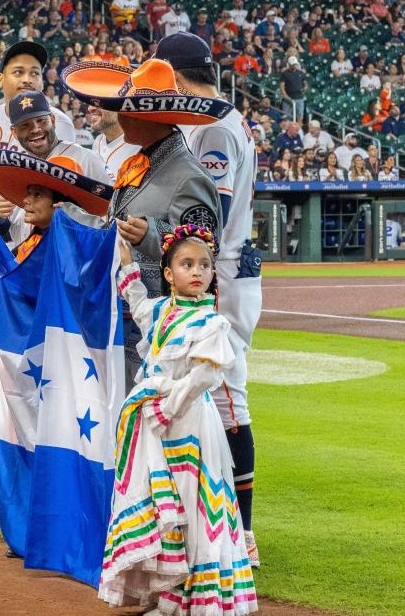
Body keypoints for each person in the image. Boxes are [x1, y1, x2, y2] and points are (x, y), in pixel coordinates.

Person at [101, 224, 258, 615]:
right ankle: (166, 595)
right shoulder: (163, 311)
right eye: (187, 264)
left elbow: (206, 375)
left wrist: (166, 406)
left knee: (192, 503)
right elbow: (138, 305)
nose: (198, 271)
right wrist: (125, 264)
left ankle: (191, 601)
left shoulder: (211, 323)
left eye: (204, 265)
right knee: (162, 501)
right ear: (169, 274)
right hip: (159, 423)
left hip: (187, 422)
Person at [0, 41, 85, 488]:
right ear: (1, 77)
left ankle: (41, 446)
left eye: (34, 72)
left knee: (40, 356)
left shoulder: (56, 122)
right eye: (18, 70)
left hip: (42, 255)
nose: (26, 78)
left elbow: (60, 184)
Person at [156, 32, 262, 561]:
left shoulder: (214, 126)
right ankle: (215, 524)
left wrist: (193, 281)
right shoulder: (221, 118)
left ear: (174, 78)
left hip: (220, 273)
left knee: (226, 402)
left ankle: (241, 533)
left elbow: (208, 217)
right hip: (222, 270)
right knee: (212, 401)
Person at [62, 58, 225, 396]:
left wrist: (154, 235)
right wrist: (63, 212)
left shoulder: (188, 176)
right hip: (126, 314)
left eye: (126, 111)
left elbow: (207, 250)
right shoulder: (143, 163)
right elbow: (113, 226)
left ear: (148, 118)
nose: (120, 117)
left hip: (157, 327)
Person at [89, 104, 140, 177]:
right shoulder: (98, 140)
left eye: (100, 102)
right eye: (91, 103)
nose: (90, 108)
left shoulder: (139, 145)